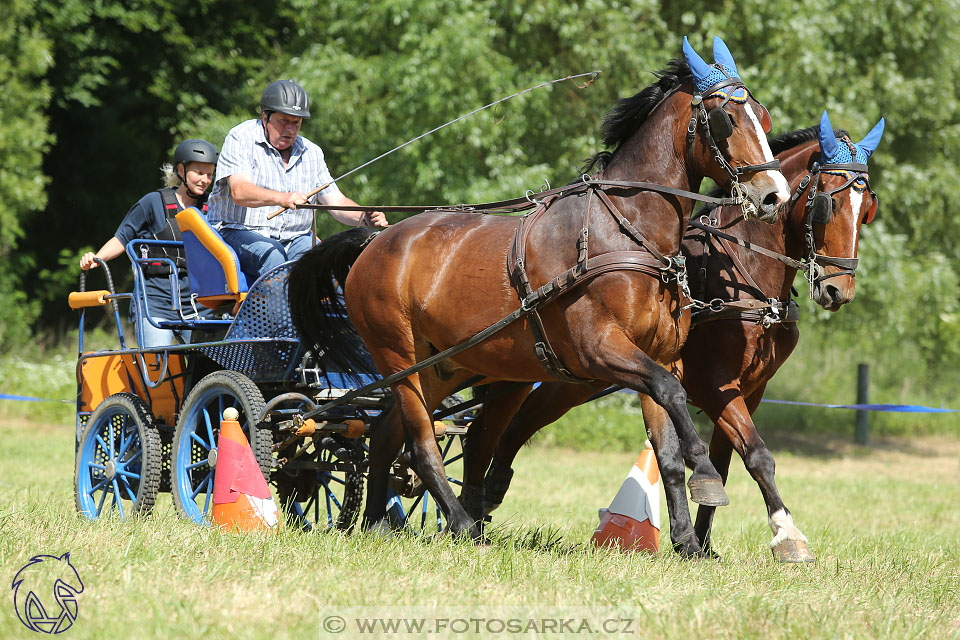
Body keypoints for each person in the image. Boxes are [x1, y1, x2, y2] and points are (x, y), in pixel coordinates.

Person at [206, 79, 387, 282]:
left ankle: (319, 314)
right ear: (265, 117)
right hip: (236, 233)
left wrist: (363, 216)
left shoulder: (312, 152)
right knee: (273, 255)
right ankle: (280, 315)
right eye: (284, 121)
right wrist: (282, 198)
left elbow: (336, 202)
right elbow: (240, 192)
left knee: (325, 262)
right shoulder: (241, 138)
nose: (290, 129)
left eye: (296, 123)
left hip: (296, 238)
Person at [80, 139, 219, 347]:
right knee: (154, 367)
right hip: (155, 301)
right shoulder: (153, 202)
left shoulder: (214, 207)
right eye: (199, 173)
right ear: (181, 170)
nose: (205, 180)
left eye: (209, 174)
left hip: (198, 303)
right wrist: (97, 258)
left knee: (208, 367)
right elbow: (123, 237)